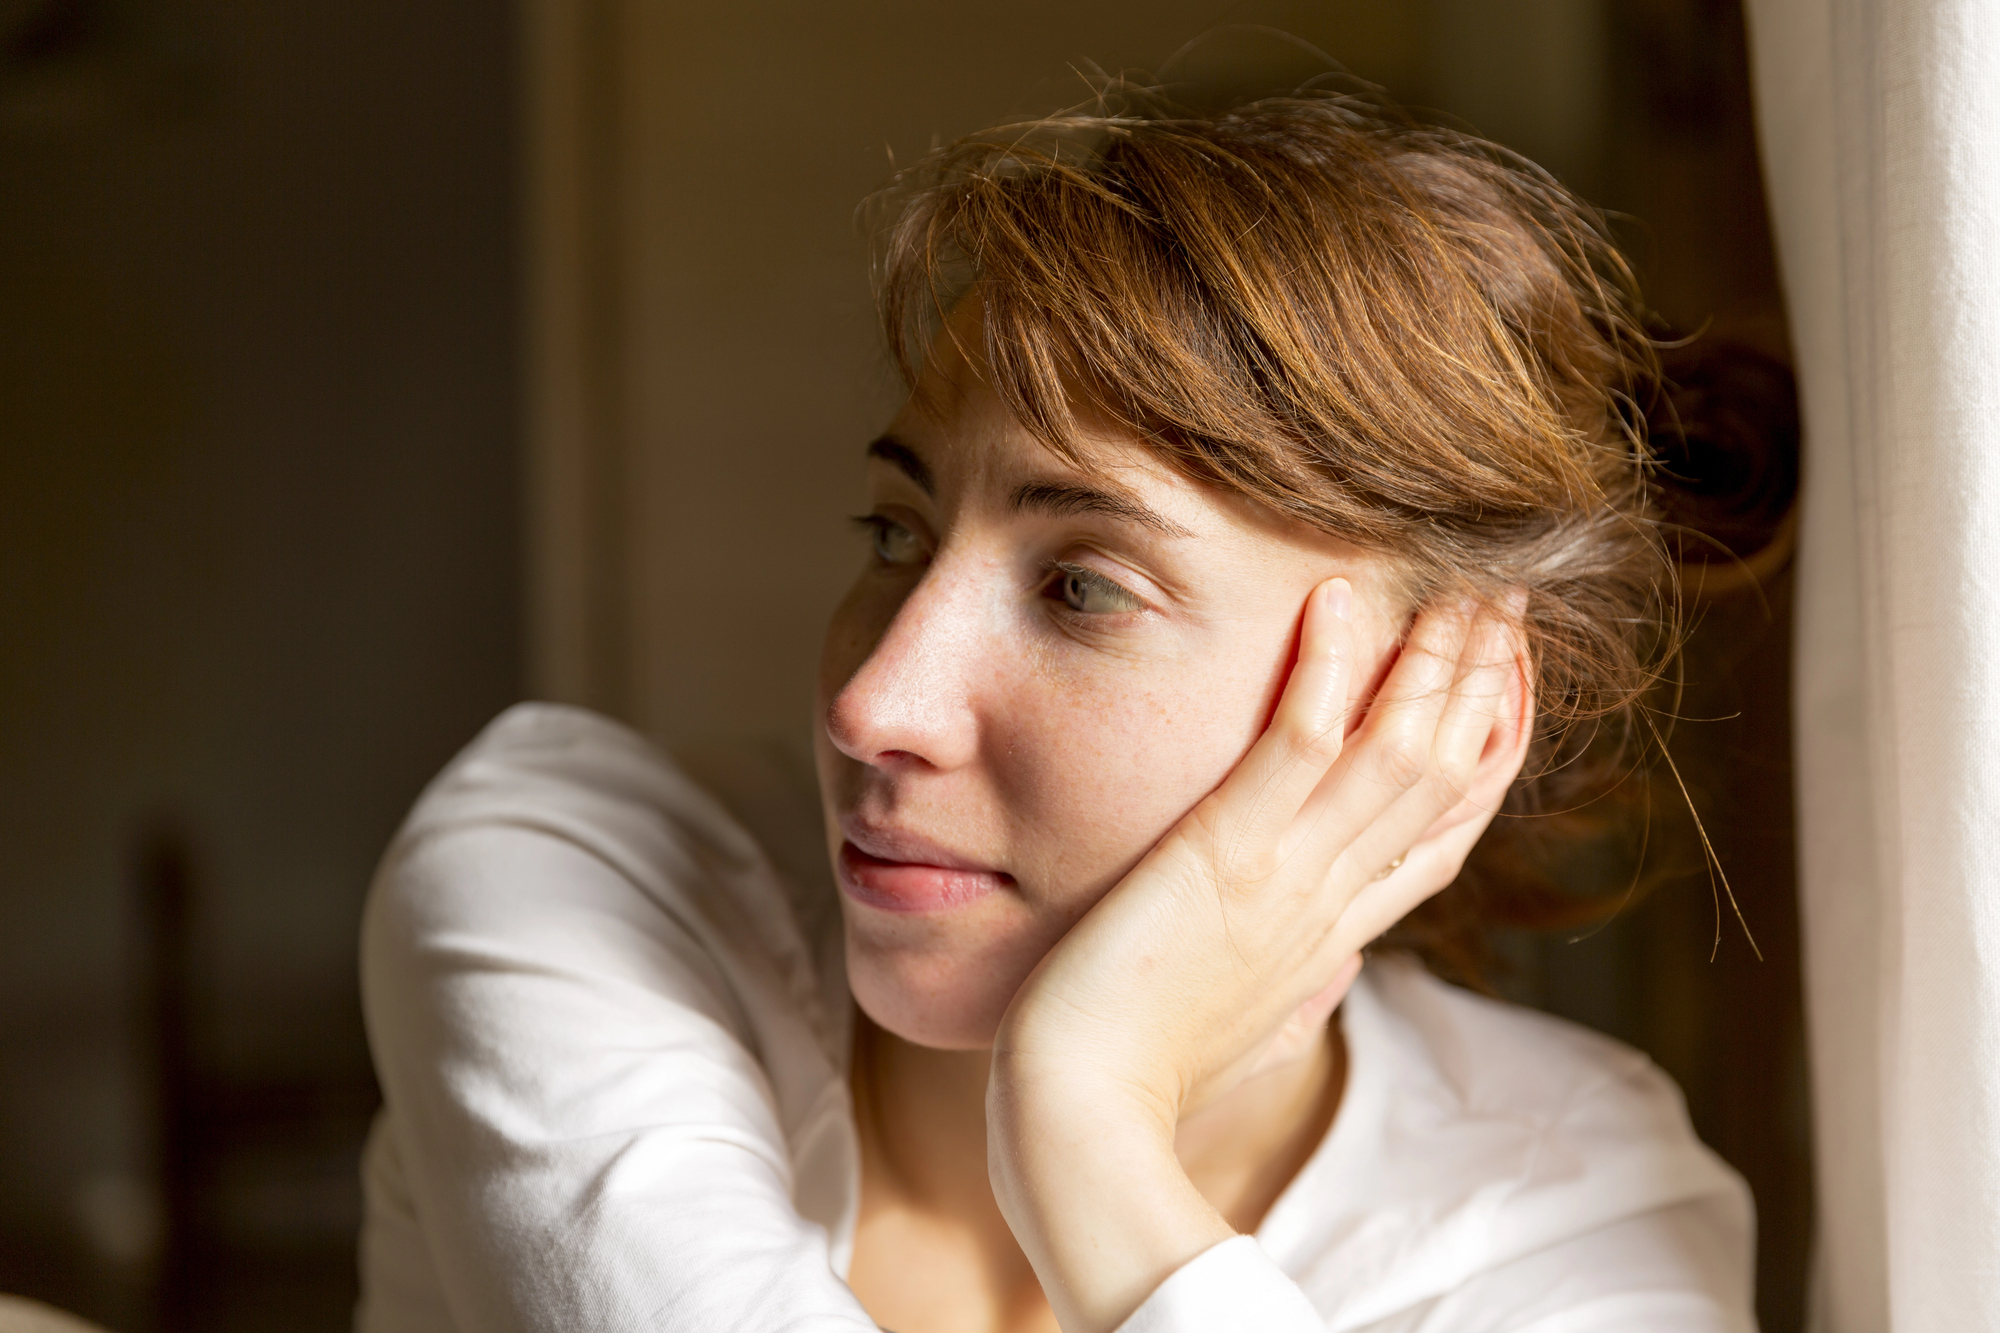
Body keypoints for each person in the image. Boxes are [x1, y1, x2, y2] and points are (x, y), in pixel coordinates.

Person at [356, 87, 1756, 1333]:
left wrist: (1088, 1116)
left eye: (1084, 586)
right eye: (895, 532)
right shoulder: (577, 880)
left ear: (1441, 714)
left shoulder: (1569, 1206)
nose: (868, 701)